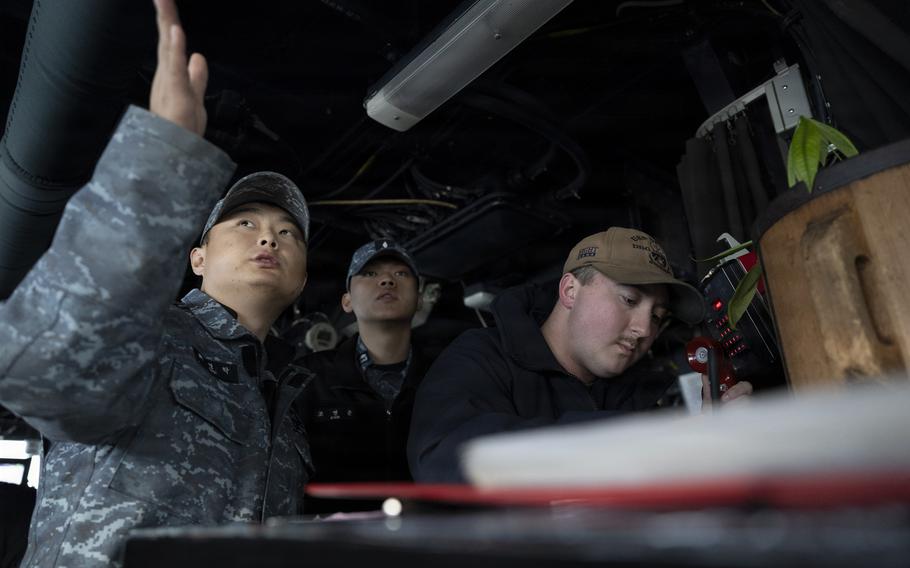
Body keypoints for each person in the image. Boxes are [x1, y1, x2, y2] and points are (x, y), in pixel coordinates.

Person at [0, 1, 312, 566]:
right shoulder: (151, 337)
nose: (270, 239)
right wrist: (162, 165)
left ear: (303, 278)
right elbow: (37, 376)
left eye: (289, 233)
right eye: (245, 224)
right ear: (197, 257)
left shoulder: (284, 399)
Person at [407, 227, 753, 482]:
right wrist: (642, 437)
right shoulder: (481, 358)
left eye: (657, 317)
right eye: (630, 300)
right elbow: (443, 460)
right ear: (570, 290)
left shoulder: (637, 396)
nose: (645, 329)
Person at [297, 240, 430, 511]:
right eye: (370, 274)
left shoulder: (447, 375)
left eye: (401, 274)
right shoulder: (309, 377)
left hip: (424, 540)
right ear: (346, 301)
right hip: (337, 542)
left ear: (419, 299)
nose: (386, 281)